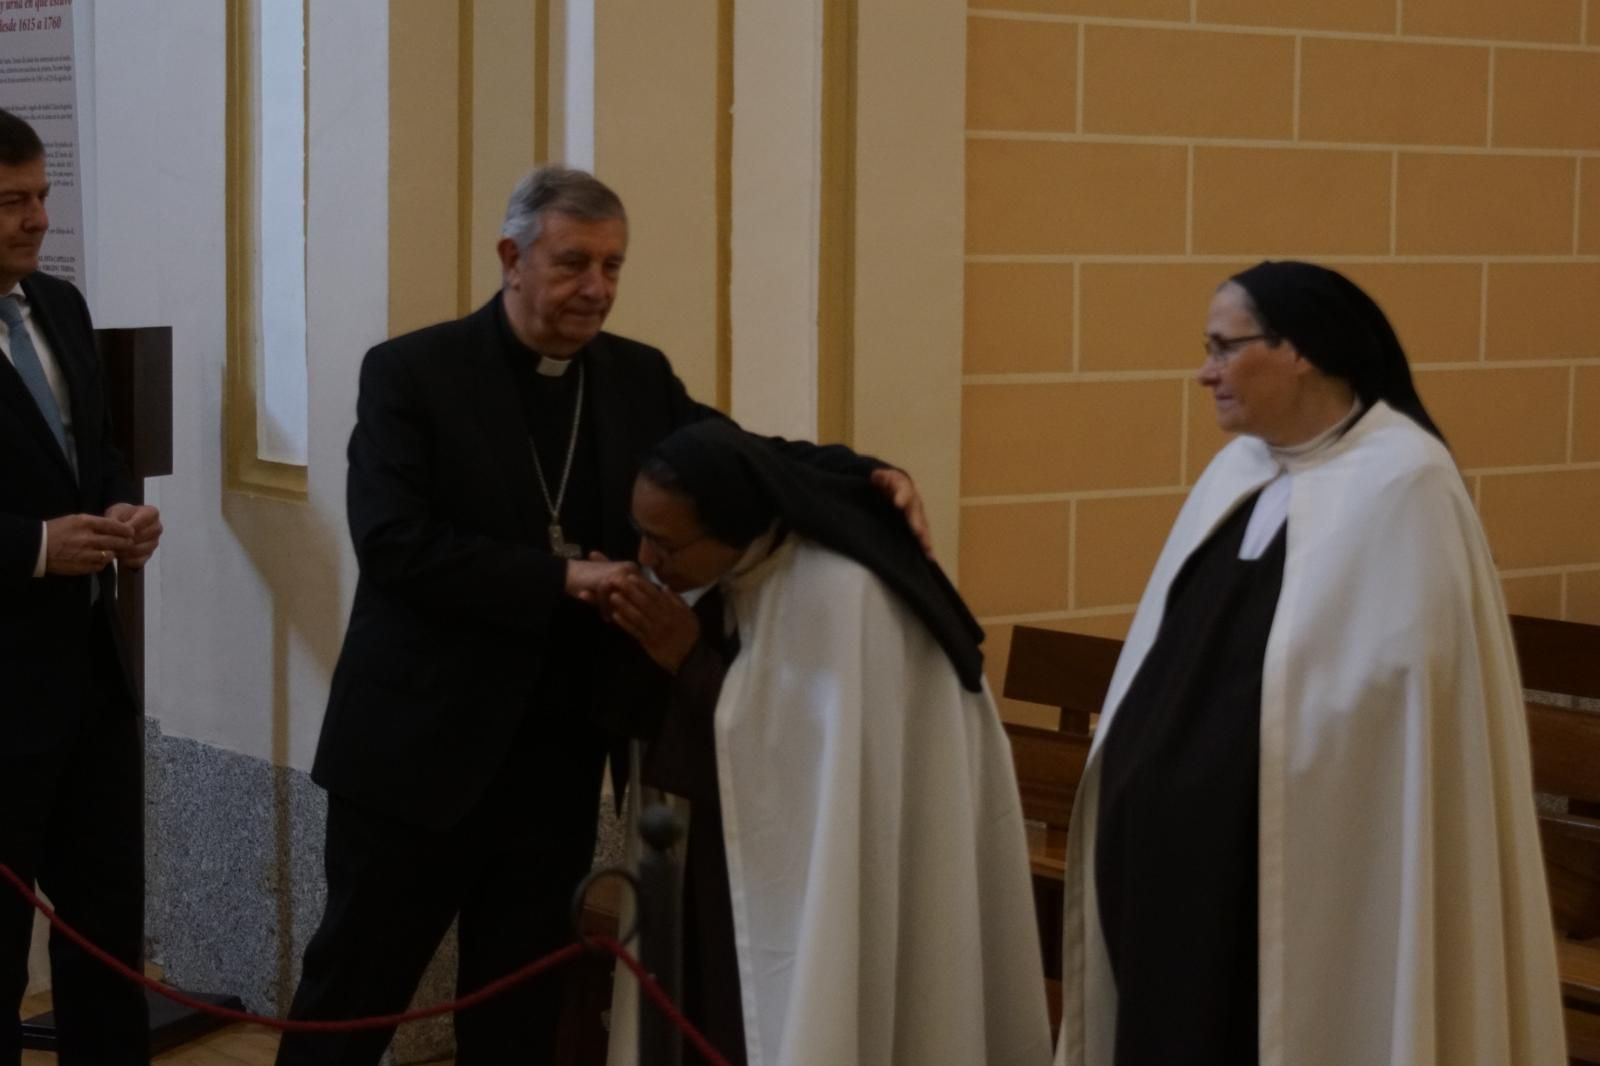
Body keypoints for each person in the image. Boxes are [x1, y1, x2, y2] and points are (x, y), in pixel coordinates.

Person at [276, 165, 926, 1065]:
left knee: (520, 1003)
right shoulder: (413, 373)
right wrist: (563, 579)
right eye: (575, 263)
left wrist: (862, 473)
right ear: (512, 257)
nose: (598, 289)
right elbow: (394, 544)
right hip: (415, 752)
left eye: (614, 267)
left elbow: (740, 458)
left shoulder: (634, 377)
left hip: (555, 753)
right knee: (353, 991)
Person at [1053, 260, 1567, 1066]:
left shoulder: (1404, 483)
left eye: (1225, 347)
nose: (1204, 370)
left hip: (1308, 876)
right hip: (1181, 878)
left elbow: (1394, 706)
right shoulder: (1238, 471)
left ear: (1300, 351)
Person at [600, 418, 1053, 1066]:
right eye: (640, 535)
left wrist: (687, 659)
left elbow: (810, 774)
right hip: (733, 855)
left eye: (664, 545)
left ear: (732, 527)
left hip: (840, 871)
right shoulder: (748, 563)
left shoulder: (840, 591)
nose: (647, 560)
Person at [0, 109, 164, 1066]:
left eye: (42, 197)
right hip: (1, 687)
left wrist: (123, 513)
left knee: (106, 922)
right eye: (12, 203)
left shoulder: (59, 307)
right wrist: (33, 546)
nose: (37, 220)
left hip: (88, 676)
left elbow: (95, 453)